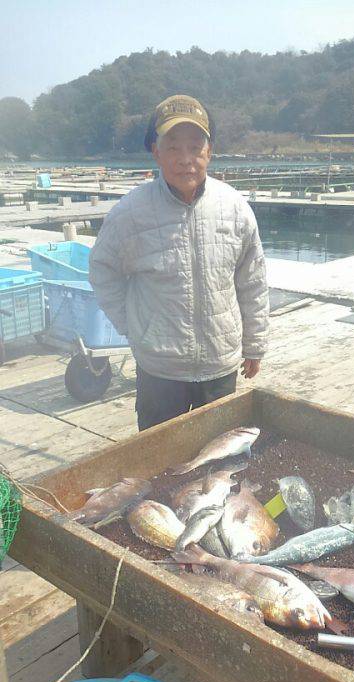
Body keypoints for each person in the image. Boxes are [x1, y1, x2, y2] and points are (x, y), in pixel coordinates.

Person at [89, 94, 269, 431]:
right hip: (160, 370)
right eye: (173, 147)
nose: (186, 159)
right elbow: (103, 270)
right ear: (156, 152)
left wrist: (255, 343)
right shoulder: (130, 213)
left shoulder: (234, 207)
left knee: (218, 454)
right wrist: (135, 327)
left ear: (209, 152)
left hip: (220, 364)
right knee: (159, 457)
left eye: (195, 147)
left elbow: (253, 281)